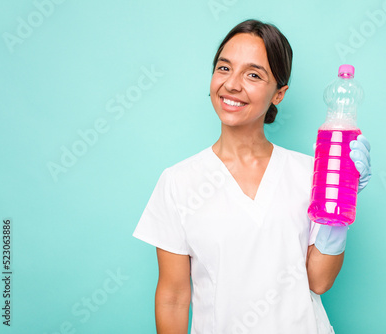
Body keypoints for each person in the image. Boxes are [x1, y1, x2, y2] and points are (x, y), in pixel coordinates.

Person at [133, 19, 371, 334]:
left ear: (279, 93)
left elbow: (320, 280)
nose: (232, 84)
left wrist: (340, 202)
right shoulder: (178, 182)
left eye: (254, 74)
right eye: (224, 68)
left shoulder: (310, 173)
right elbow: (173, 297)